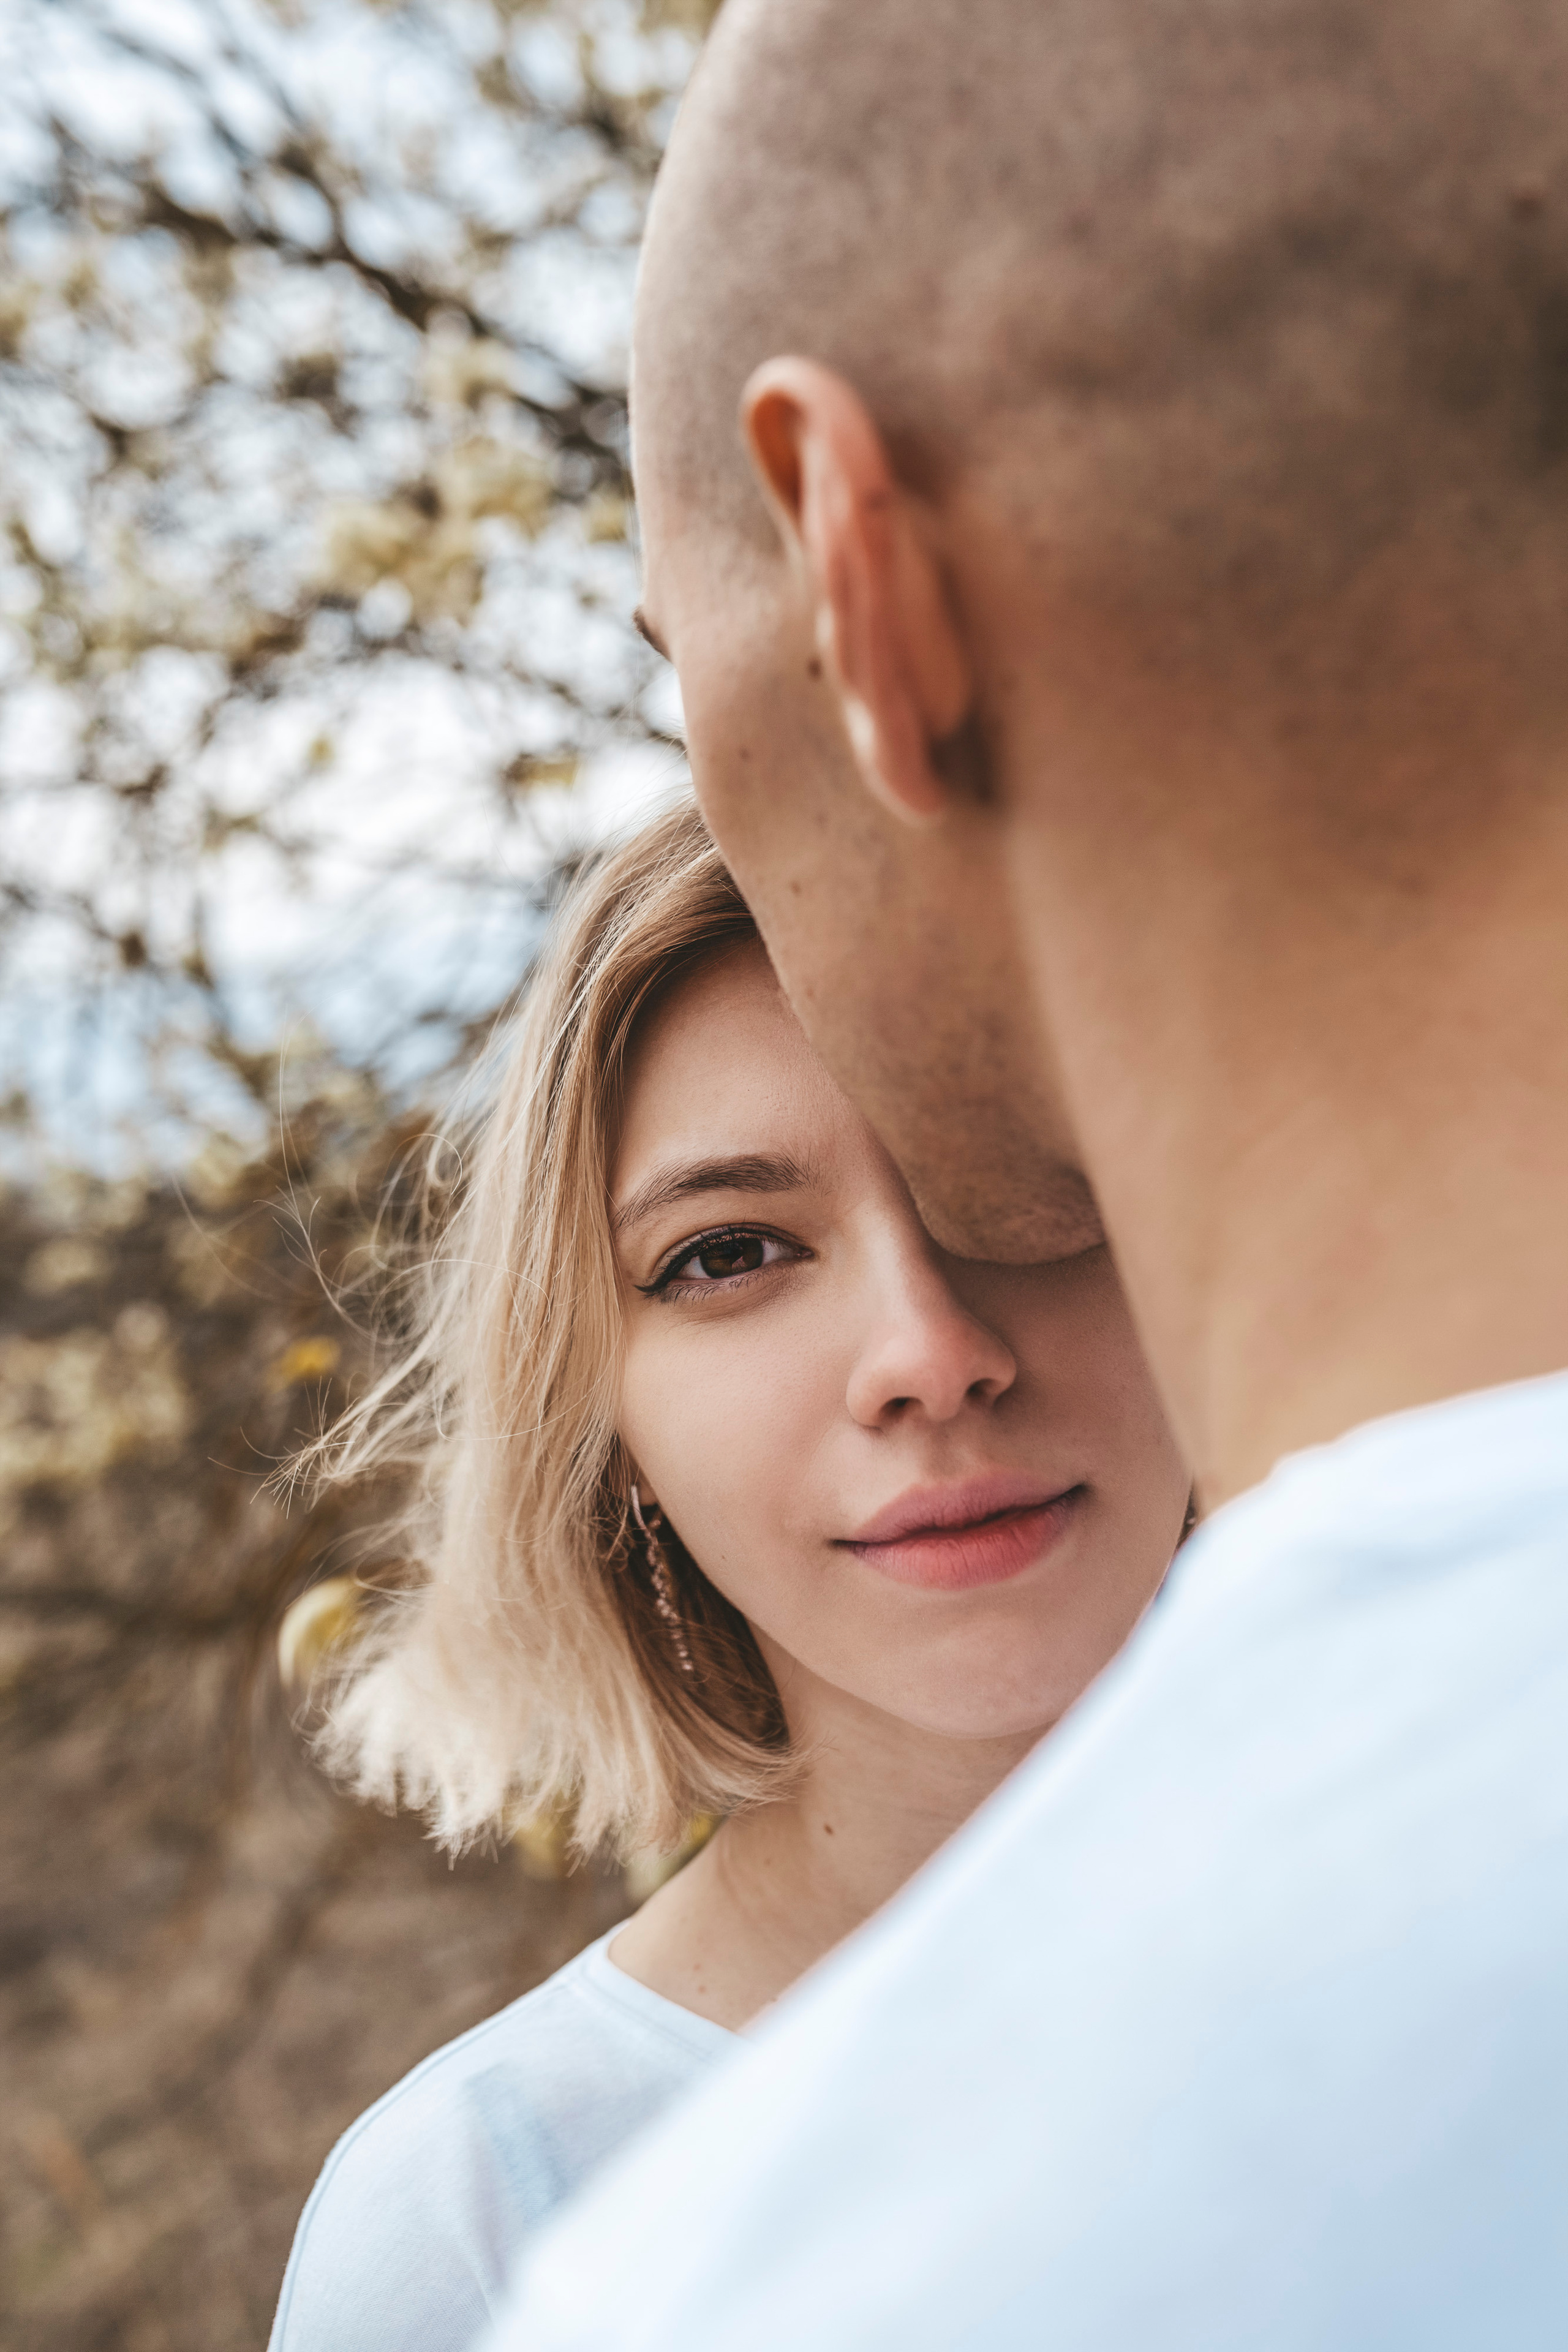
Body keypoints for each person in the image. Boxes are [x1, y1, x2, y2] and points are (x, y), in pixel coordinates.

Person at [484, 1, 1568, 2345]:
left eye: (691, 644)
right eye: (735, 1251)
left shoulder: (820, 2280)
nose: (928, 1357)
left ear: (866, 576)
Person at [266, 801, 1189, 2351]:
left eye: (1019, 1186)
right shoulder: (486, 2225)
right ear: (603, 1418)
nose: (928, 1354)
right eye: (727, 1252)